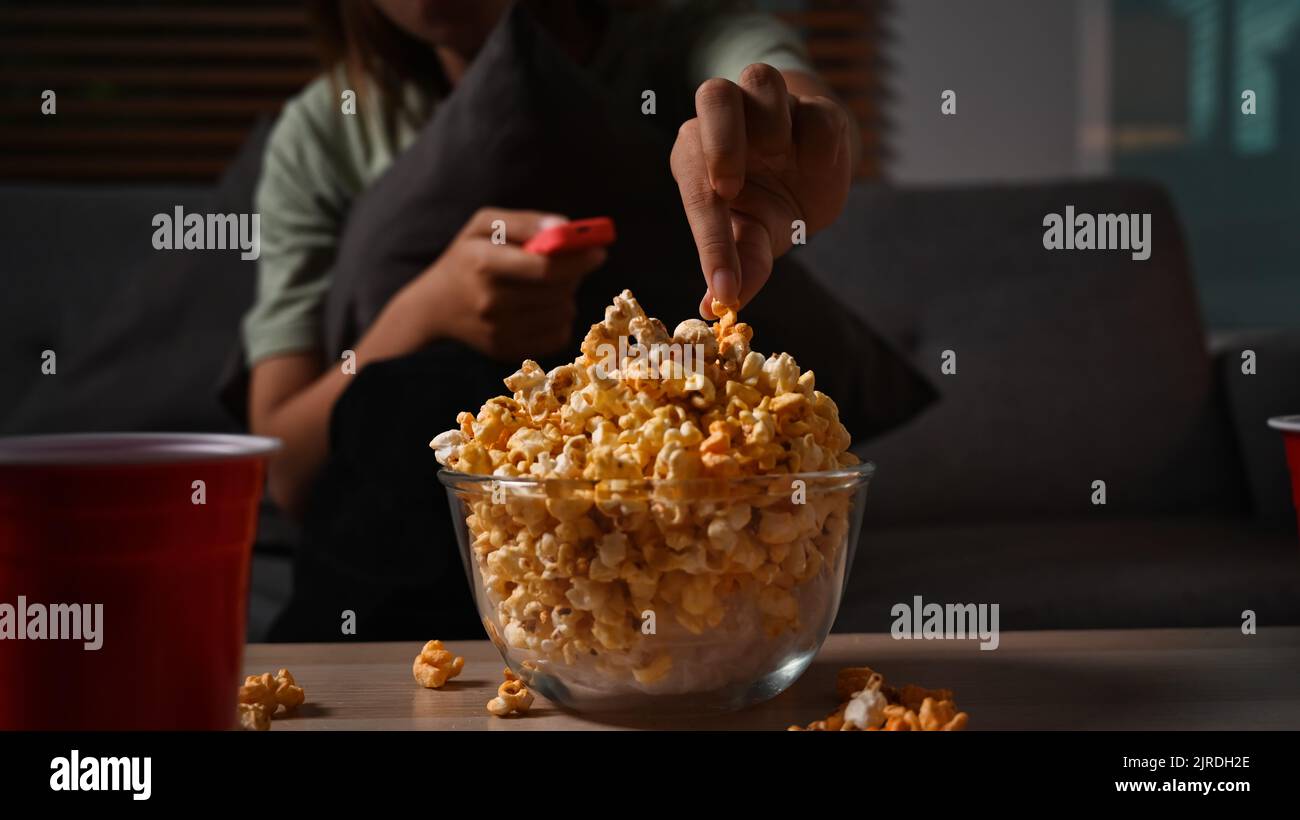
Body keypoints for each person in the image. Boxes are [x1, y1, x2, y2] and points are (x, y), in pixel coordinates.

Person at [242, 0, 857, 519]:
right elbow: (284, 469)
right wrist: (419, 314)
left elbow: (777, 90)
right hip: (398, 531)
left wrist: (806, 144)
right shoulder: (325, 134)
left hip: (691, 523)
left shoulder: (682, 42)